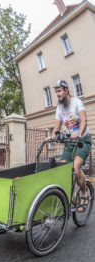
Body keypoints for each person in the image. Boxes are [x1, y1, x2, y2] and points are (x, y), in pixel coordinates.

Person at [45, 79, 91, 211]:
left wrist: (79, 133)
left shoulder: (77, 103)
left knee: (76, 168)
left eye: (59, 91)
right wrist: (52, 137)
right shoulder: (59, 108)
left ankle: (83, 193)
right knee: (63, 169)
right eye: (56, 92)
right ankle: (70, 196)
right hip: (71, 142)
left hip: (83, 140)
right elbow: (57, 127)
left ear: (66, 90)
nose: (57, 94)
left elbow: (83, 120)